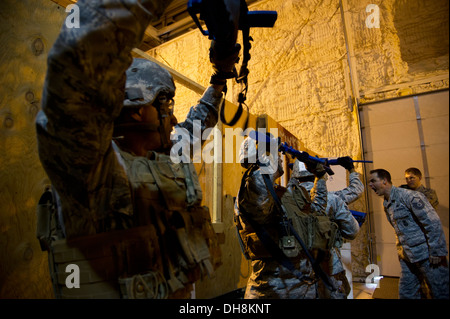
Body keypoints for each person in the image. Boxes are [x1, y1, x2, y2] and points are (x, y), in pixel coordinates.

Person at [35, 0, 240, 299]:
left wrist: (219, 78)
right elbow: (78, 70)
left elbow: (197, 123)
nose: (173, 117)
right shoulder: (92, 168)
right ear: (136, 111)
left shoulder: (164, 156)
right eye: (166, 104)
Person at [234, 137, 330, 299]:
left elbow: (315, 211)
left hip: (303, 288)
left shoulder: (280, 193)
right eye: (273, 153)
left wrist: (319, 178)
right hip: (273, 292)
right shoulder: (251, 191)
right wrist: (269, 155)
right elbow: (259, 183)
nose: (278, 156)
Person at [368, 169, 449, 299]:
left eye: (373, 181)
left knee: (441, 292)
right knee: (407, 294)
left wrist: (437, 251)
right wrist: (401, 252)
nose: (370, 185)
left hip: (428, 256)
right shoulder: (387, 203)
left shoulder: (409, 196)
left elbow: (432, 222)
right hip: (408, 257)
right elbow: (399, 230)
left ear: (384, 181)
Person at [289, 158, 361, 299]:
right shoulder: (333, 199)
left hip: (296, 272)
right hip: (329, 268)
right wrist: (351, 169)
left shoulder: (284, 201)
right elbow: (352, 232)